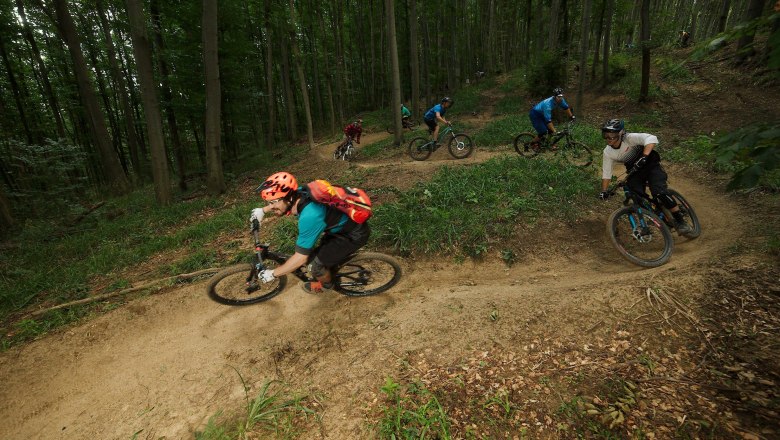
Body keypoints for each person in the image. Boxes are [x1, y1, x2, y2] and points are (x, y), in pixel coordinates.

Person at [249, 172, 371, 293]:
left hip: (352, 235)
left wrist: (273, 273)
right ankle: (329, 268)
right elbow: (279, 203)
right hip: (342, 227)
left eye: (273, 202)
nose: (271, 206)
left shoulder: (309, 216)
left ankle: (327, 285)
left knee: (314, 266)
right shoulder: (301, 193)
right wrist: (263, 211)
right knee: (316, 255)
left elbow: (300, 258)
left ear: (289, 198)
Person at [597, 119, 692, 235]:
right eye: (606, 135)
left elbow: (651, 138)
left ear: (620, 134)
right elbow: (606, 172)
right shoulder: (608, 152)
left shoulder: (630, 138)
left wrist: (644, 156)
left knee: (659, 191)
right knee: (635, 195)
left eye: (611, 135)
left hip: (651, 165)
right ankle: (656, 212)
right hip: (635, 171)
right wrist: (604, 191)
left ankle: (680, 221)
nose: (608, 138)